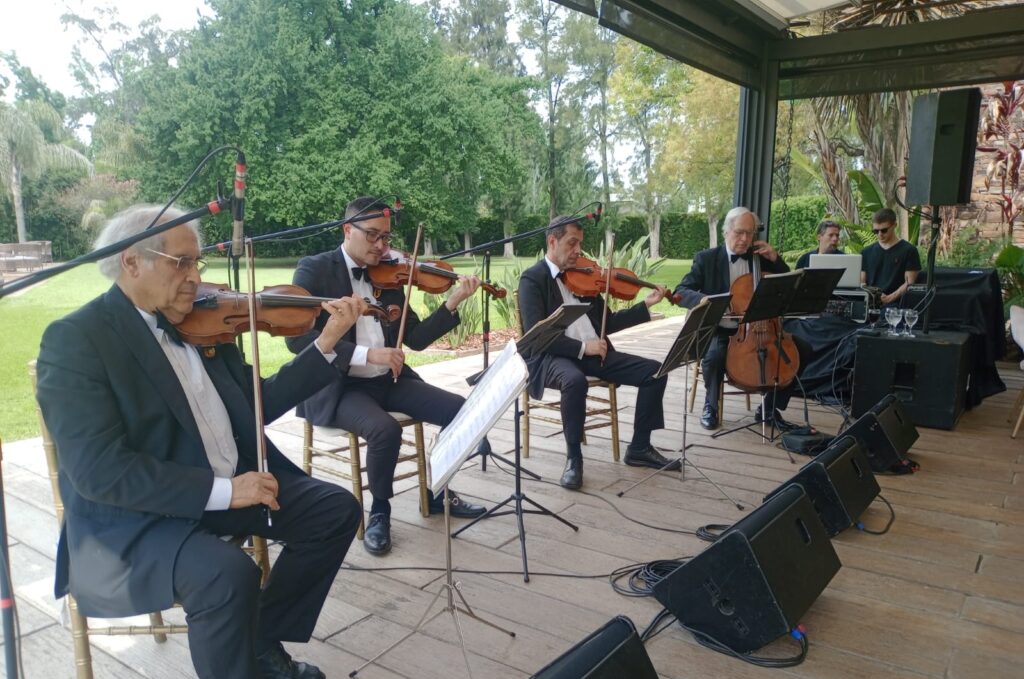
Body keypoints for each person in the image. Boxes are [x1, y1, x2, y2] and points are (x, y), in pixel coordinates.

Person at [35, 205, 365, 679]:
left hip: (228, 483)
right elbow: (100, 470)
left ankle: (260, 641)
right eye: (181, 263)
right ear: (130, 262)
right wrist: (224, 492)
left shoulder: (202, 321)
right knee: (226, 572)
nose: (195, 277)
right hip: (140, 518)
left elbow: (259, 403)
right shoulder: (76, 340)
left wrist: (328, 341)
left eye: (197, 262)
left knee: (334, 509)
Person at [287, 196, 486, 557]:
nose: (382, 246)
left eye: (387, 238)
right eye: (373, 236)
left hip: (387, 380)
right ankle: (380, 512)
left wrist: (453, 302)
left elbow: (417, 338)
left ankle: (438, 491)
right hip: (339, 386)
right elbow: (297, 340)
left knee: (460, 408)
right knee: (385, 429)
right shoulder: (314, 270)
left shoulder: (389, 274)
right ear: (348, 230)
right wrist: (366, 354)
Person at [517, 215, 676, 490]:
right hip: (552, 356)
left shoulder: (584, 276)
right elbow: (537, 337)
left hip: (593, 354)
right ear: (552, 241)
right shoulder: (533, 279)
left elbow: (608, 322)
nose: (578, 250)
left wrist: (646, 306)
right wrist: (581, 347)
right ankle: (574, 459)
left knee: (655, 371)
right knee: (574, 381)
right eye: (572, 243)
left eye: (580, 244)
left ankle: (639, 447)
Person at [674, 206, 803, 432]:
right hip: (721, 329)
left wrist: (776, 259)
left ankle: (769, 408)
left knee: (802, 350)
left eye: (750, 233)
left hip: (760, 330)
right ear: (727, 231)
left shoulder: (762, 259)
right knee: (714, 355)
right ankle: (711, 406)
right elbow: (681, 290)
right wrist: (706, 300)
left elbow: (789, 285)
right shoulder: (706, 259)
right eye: (740, 233)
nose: (745, 239)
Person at [859, 207, 921, 305]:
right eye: (876, 231)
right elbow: (861, 282)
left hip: (897, 305)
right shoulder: (866, 252)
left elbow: (909, 283)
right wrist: (873, 295)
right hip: (869, 303)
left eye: (884, 230)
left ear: (894, 225)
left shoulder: (909, 250)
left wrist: (889, 298)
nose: (880, 234)